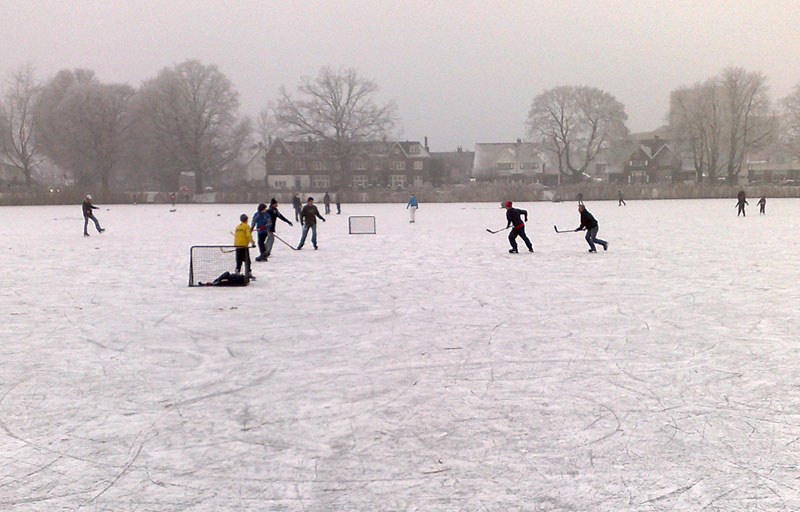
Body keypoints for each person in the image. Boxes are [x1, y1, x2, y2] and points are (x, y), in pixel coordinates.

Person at [234, 213, 254, 279]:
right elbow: (248, 236)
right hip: (244, 246)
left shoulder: (238, 227)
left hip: (237, 245)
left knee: (238, 260)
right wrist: (253, 243)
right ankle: (248, 273)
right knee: (247, 260)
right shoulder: (246, 226)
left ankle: (237, 272)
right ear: (247, 220)